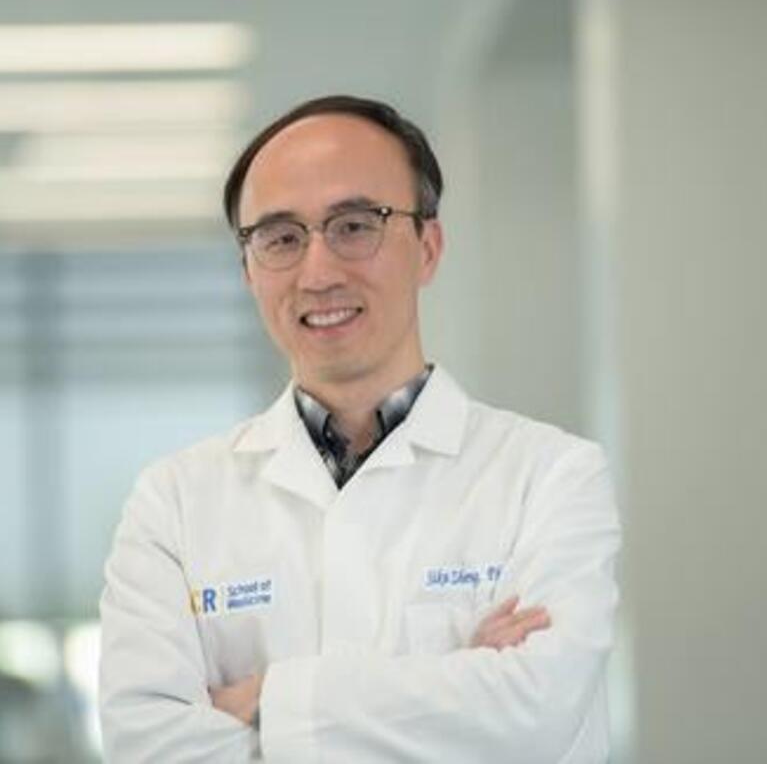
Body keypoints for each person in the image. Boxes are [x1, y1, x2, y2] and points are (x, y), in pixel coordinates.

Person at [99, 95, 621, 763]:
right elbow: (146, 744)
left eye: (353, 226)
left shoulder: (550, 476)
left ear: (427, 248)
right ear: (249, 270)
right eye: (282, 238)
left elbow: (537, 712)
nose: (318, 272)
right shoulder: (173, 502)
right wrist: (455, 689)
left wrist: (266, 700)